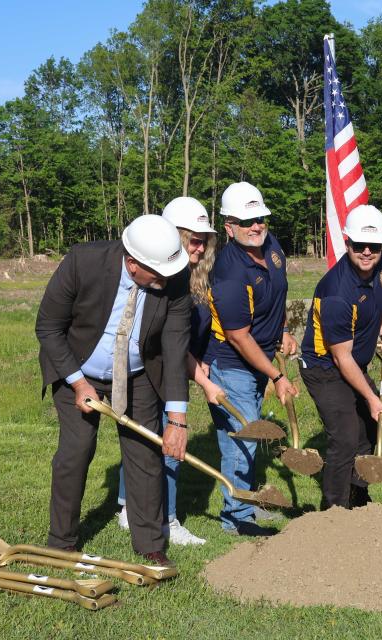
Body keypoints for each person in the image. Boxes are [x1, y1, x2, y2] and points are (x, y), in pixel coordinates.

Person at [35, 214, 190, 566]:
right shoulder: (83, 262)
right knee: (76, 452)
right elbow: (48, 327)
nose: (166, 279)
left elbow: (175, 345)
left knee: (146, 455)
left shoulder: (175, 278)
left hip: (138, 374)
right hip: (77, 367)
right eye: (158, 274)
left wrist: (177, 419)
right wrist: (78, 383)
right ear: (132, 264)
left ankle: (151, 544)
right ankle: (61, 544)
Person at [115, 197, 224, 546]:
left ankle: (129, 508)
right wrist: (204, 381)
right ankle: (166, 520)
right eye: (193, 239)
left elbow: (192, 335)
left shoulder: (198, 278)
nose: (200, 246)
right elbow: (169, 346)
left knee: (148, 441)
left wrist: (202, 358)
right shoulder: (163, 281)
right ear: (174, 237)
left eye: (204, 240)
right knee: (168, 442)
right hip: (158, 373)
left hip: (179, 368)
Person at [204, 182, 296, 536]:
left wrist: (283, 330)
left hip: (258, 358)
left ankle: (245, 507)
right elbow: (238, 336)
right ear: (229, 227)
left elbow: (278, 295)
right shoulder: (228, 272)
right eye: (246, 222)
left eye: (260, 219)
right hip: (232, 365)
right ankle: (237, 518)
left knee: (247, 438)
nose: (256, 226)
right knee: (242, 441)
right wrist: (276, 375)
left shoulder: (272, 247)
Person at [300, 204, 382, 509]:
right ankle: (334, 514)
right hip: (324, 368)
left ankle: (358, 498)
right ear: (347, 243)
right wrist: (371, 397)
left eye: (375, 246)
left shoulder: (380, 268)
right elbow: (341, 359)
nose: (367, 251)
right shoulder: (337, 293)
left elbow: (376, 304)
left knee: (367, 431)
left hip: (353, 363)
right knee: (345, 437)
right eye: (359, 245)